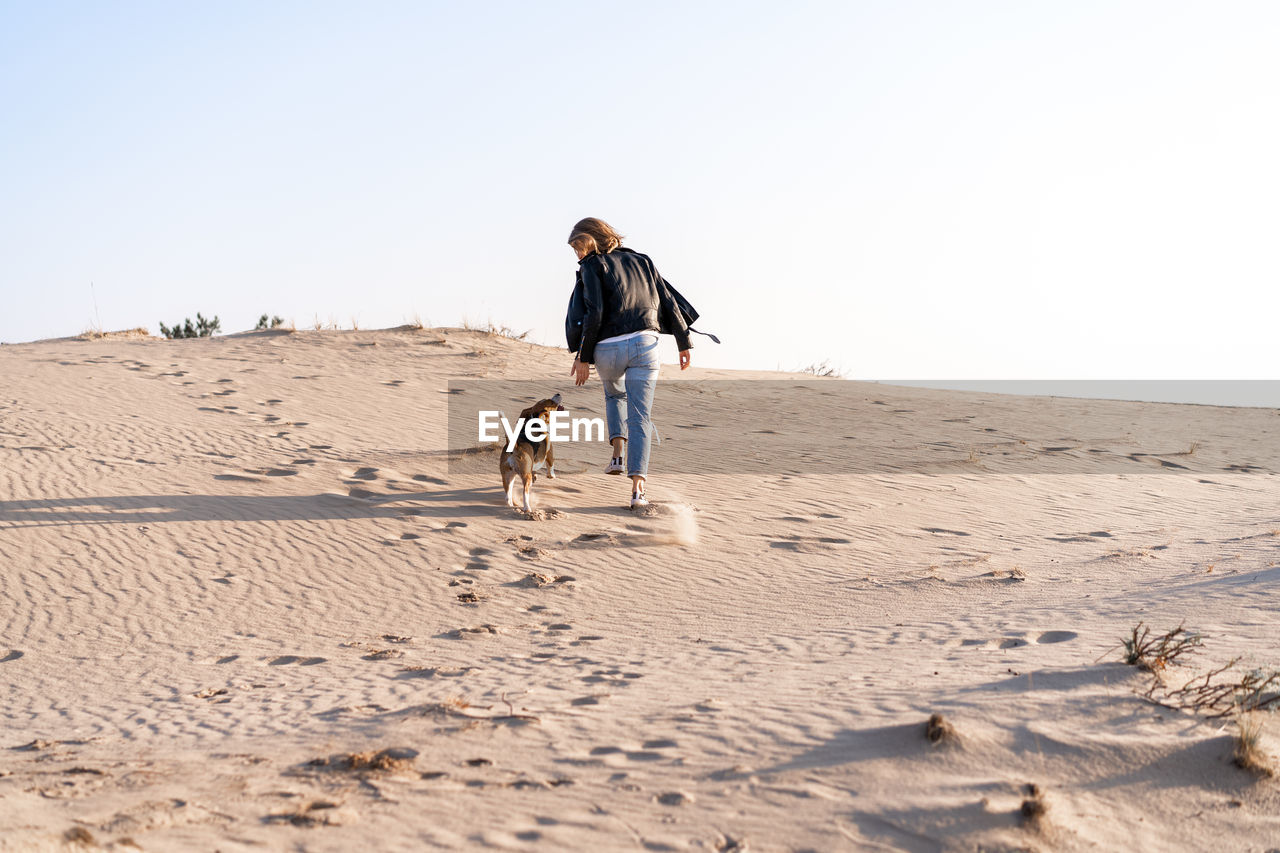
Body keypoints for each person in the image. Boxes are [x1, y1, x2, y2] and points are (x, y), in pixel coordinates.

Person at [567, 217, 691, 509]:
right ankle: (638, 491)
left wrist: (583, 357)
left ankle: (617, 454)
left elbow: (594, 312)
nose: (578, 255)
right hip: (645, 346)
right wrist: (684, 342)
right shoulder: (643, 261)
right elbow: (668, 301)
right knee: (640, 417)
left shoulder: (592, 266)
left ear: (591, 240)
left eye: (579, 248)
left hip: (607, 350)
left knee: (614, 394)